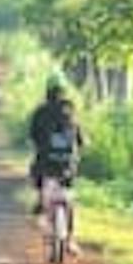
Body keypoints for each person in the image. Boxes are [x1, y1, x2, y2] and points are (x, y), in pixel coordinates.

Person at [25, 76, 83, 221]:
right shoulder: (70, 110)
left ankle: (40, 201)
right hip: (68, 160)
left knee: (36, 171)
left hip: (46, 160)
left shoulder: (41, 111)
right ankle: (70, 233)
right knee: (68, 182)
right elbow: (78, 134)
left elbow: (33, 135)